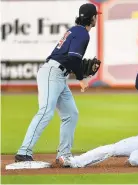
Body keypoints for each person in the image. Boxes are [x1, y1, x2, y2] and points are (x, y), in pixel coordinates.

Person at [15, 3, 101, 162]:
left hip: (59, 75)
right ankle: (24, 151)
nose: (97, 18)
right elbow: (74, 58)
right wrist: (82, 78)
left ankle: (64, 154)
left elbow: (70, 59)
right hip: (52, 73)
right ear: (92, 18)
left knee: (71, 114)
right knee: (46, 111)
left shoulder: (75, 30)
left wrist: (80, 70)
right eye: (96, 15)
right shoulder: (82, 33)